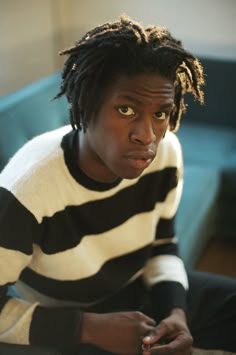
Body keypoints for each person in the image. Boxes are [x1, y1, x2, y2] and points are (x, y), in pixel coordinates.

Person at [0, 15, 235, 355]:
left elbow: (162, 245)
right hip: (67, 317)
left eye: (160, 114)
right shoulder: (24, 190)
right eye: (126, 109)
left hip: (140, 288)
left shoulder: (166, 152)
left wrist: (176, 311)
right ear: (86, 103)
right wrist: (89, 327)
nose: (147, 136)